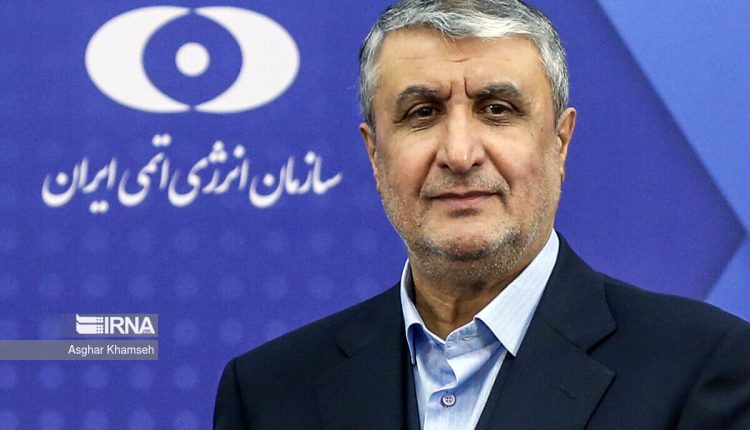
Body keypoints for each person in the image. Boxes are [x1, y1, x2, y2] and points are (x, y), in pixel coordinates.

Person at [214, 1, 750, 428]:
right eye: (422, 112)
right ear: (374, 155)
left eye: (497, 109)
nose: (460, 153)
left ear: (560, 143)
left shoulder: (702, 367)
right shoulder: (268, 392)